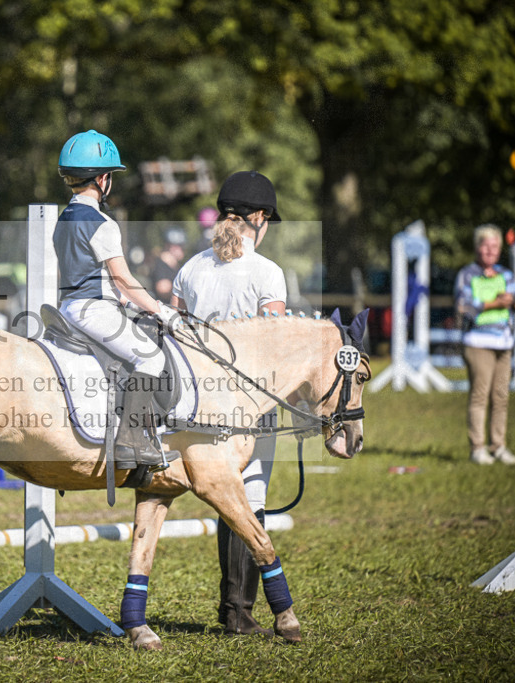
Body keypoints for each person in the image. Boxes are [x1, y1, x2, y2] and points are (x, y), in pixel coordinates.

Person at [171, 170, 285, 637]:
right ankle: (238, 610)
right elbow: (272, 344)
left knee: (225, 498)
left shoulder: (192, 267)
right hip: (249, 404)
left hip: (197, 400)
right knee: (249, 497)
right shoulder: (267, 272)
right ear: (258, 217)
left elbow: (174, 332)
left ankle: (233, 608)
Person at [53, 130, 183, 470]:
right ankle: (130, 442)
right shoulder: (102, 223)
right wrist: (164, 312)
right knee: (151, 358)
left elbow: (83, 271)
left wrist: (120, 302)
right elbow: (124, 279)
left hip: (67, 307)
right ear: (102, 179)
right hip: (92, 309)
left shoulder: (62, 219)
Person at [453, 224, 515, 466]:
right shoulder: (467, 274)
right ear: (477, 248)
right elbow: (465, 306)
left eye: (495, 246)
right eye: (485, 245)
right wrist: (496, 302)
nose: (490, 250)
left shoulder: (506, 275)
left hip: (503, 343)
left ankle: (498, 446)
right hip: (477, 343)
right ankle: (477, 448)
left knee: (501, 397)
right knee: (480, 395)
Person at [149, 227, 187, 303]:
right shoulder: (161, 264)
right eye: (178, 246)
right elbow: (163, 288)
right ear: (168, 246)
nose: (180, 249)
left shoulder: (174, 265)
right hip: (164, 308)